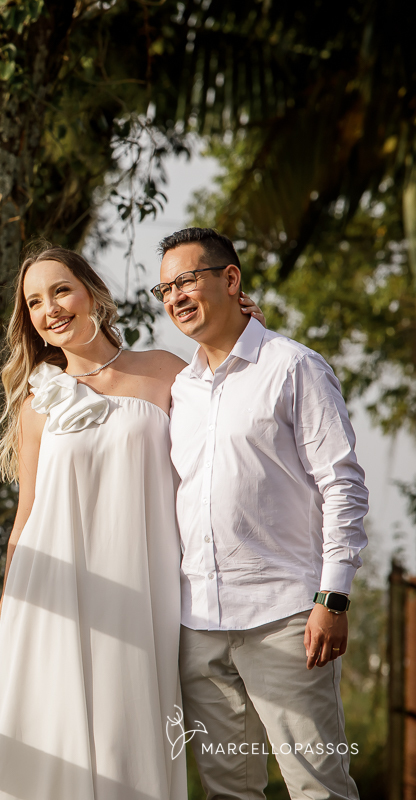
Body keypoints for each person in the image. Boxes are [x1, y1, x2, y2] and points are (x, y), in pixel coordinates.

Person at [0, 246, 260, 800]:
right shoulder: (36, 404)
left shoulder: (166, 371)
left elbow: (233, 411)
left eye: (61, 290)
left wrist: (245, 328)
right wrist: (1, 629)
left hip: (143, 592)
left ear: (93, 293)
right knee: (49, 733)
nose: (50, 309)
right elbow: (25, 522)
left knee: (128, 734)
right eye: (34, 302)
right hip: (52, 593)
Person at [156, 228, 368, 800]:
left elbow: (342, 483)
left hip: (286, 619)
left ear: (230, 279)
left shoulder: (293, 366)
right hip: (198, 625)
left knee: (317, 787)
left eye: (186, 281)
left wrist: (333, 597)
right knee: (227, 792)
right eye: (165, 289)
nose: (175, 297)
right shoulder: (180, 389)